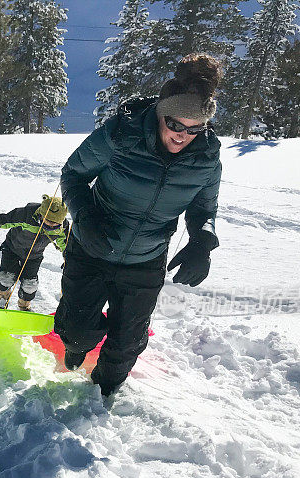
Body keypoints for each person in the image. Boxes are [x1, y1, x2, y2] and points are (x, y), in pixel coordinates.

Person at [55, 53, 223, 401]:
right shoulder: (122, 134)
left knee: (126, 347)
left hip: (146, 259)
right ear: (163, 113)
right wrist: (85, 221)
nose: (183, 136)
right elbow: (73, 174)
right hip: (92, 246)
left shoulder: (206, 158)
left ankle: (100, 400)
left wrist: (202, 241)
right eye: (176, 125)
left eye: (195, 129)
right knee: (75, 332)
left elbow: (203, 207)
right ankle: (78, 344)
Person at [0, 195, 69, 311]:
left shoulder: (63, 227)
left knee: (30, 285)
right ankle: (3, 298)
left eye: (55, 225)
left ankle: (24, 307)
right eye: (47, 221)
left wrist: (69, 259)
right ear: (41, 214)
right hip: (12, 248)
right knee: (5, 277)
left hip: (34, 256)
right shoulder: (26, 215)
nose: (50, 226)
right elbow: (4, 220)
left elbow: (67, 245)